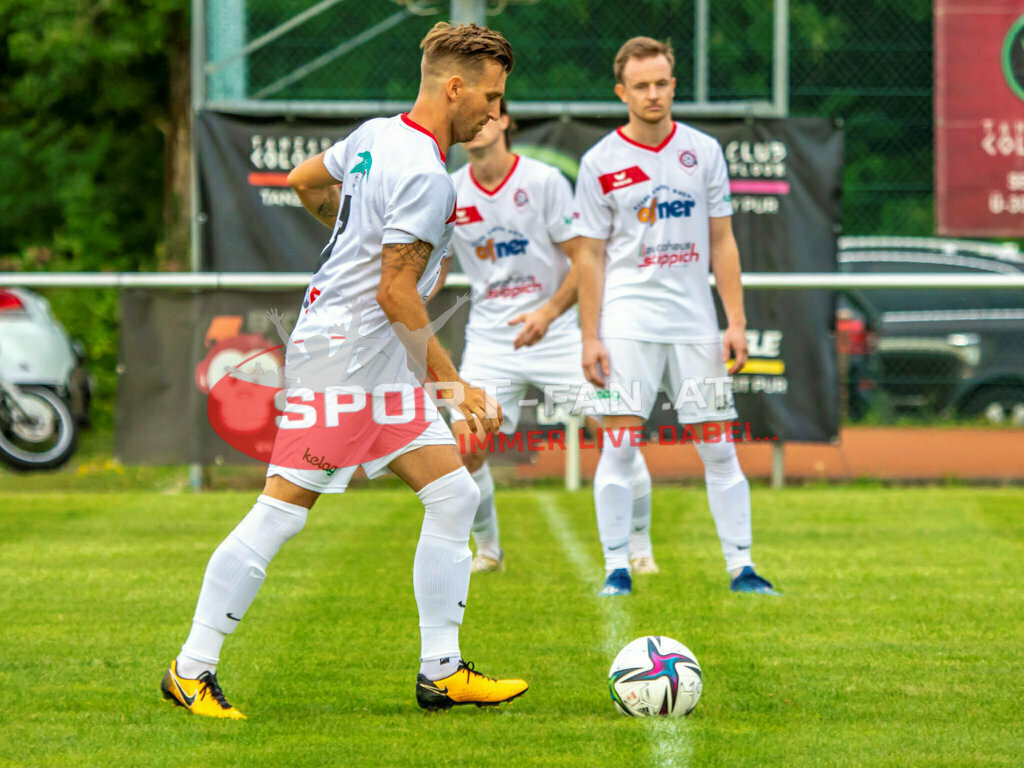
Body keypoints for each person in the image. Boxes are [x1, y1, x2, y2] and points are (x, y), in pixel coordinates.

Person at [160, 22, 529, 719]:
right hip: (346, 357)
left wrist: (347, 243)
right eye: (490, 96)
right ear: (454, 87)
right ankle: (191, 668)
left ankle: (442, 671)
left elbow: (304, 183)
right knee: (280, 512)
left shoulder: (374, 134)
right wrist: (455, 385)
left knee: (453, 497)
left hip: (371, 353)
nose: (495, 112)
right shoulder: (426, 175)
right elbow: (394, 292)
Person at [573, 36, 780, 597]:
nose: (653, 94)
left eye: (662, 83)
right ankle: (617, 568)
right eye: (641, 86)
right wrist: (589, 336)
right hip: (626, 322)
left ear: (673, 83)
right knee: (618, 445)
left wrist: (734, 321)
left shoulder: (703, 150)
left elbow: (723, 242)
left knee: (718, 445)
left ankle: (743, 569)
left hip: (693, 322)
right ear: (622, 92)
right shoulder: (600, 162)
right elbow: (588, 255)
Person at [434, 100, 654, 576]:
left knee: (614, 433)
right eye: (469, 119)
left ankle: (639, 549)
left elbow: (584, 261)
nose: (478, 126)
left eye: (489, 114)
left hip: (557, 334)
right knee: (466, 445)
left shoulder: (543, 182)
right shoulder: (449, 193)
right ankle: (488, 551)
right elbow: (436, 271)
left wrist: (549, 313)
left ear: (506, 122)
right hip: (492, 340)